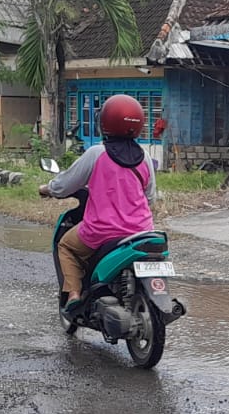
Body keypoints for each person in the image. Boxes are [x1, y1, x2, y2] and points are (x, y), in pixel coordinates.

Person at [38, 94, 156, 315]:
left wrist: (47, 189)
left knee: (66, 246)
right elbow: (150, 197)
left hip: (102, 231)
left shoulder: (96, 153)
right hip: (142, 232)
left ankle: (74, 294)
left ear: (105, 122)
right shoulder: (146, 157)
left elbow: (64, 185)